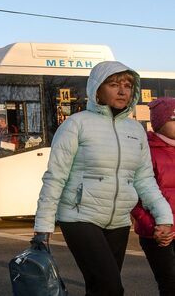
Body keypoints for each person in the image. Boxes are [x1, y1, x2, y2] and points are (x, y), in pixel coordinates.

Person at [34, 61, 173, 295]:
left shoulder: (136, 130)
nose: (122, 91)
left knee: (100, 289)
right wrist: (43, 226)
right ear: (97, 89)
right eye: (114, 84)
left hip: (118, 221)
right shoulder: (75, 125)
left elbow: (145, 180)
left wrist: (164, 217)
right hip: (79, 217)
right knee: (111, 287)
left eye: (128, 85)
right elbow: (55, 177)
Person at [131, 97, 175, 295]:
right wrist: (155, 229)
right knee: (170, 285)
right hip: (159, 235)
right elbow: (135, 197)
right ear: (159, 122)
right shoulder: (145, 151)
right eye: (174, 118)